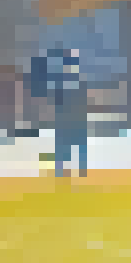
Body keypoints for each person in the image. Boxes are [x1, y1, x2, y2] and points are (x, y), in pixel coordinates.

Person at [51, 48, 89, 178]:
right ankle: (69, 171)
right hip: (69, 118)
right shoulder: (67, 82)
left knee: (69, 147)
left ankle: (72, 171)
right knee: (67, 147)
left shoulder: (71, 81)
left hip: (71, 118)